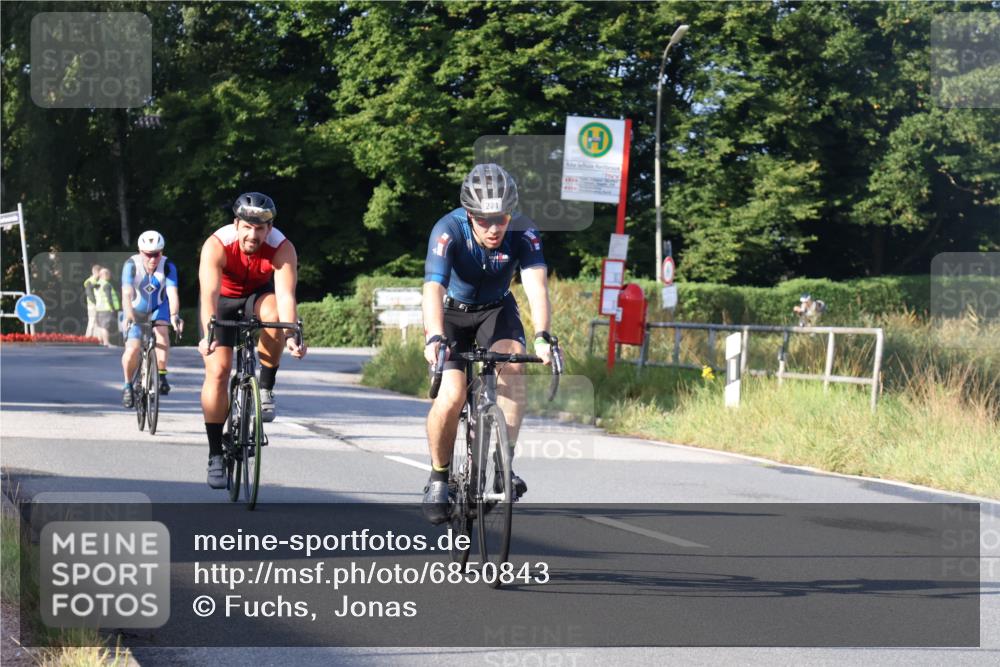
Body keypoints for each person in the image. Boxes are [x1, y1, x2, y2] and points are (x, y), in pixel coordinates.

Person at [421, 163, 554, 524]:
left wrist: (542, 334)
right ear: (469, 214)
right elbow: (433, 287)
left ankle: (501, 467)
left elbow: (536, 285)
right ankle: (438, 476)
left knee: (513, 370)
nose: (494, 228)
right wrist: (434, 335)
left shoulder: (524, 232)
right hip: (452, 314)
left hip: (496, 311)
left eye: (502, 218)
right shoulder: (448, 230)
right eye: (484, 220)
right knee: (451, 396)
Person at [198, 192, 306, 489]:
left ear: (269, 229)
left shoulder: (282, 247)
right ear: (237, 224)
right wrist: (208, 335)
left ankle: (267, 387)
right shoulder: (217, 244)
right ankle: (215, 454)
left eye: (260, 229)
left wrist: (291, 335)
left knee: (275, 316)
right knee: (218, 371)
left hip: (257, 297)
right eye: (247, 227)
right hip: (222, 301)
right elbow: (207, 294)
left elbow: (285, 295)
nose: (253, 234)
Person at [120, 231, 183, 408]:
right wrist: (129, 315)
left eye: (157, 254)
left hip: (159, 307)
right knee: (132, 349)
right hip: (135, 309)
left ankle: (161, 374)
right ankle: (127, 385)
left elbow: (172, 293)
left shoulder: (168, 265)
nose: (153, 259)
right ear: (141, 252)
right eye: (148, 255)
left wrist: (175, 315)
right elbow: (126, 293)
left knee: (162, 329)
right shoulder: (131, 265)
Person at [93, 267, 120, 347]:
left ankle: (101, 341)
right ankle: (106, 342)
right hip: (106, 308)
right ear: (103, 275)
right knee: (105, 326)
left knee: (101, 326)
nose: (110, 275)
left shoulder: (97, 284)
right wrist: (112, 307)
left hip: (99, 308)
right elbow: (109, 297)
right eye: (108, 274)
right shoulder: (106, 284)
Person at [83, 264, 101, 338]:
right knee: (92, 321)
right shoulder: (90, 281)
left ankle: (95, 338)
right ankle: (87, 338)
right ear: (95, 272)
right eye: (99, 273)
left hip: (97, 304)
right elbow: (89, 294)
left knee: (97, 322)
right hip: (92, 305)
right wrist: (95, 303)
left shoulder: (97, 281)